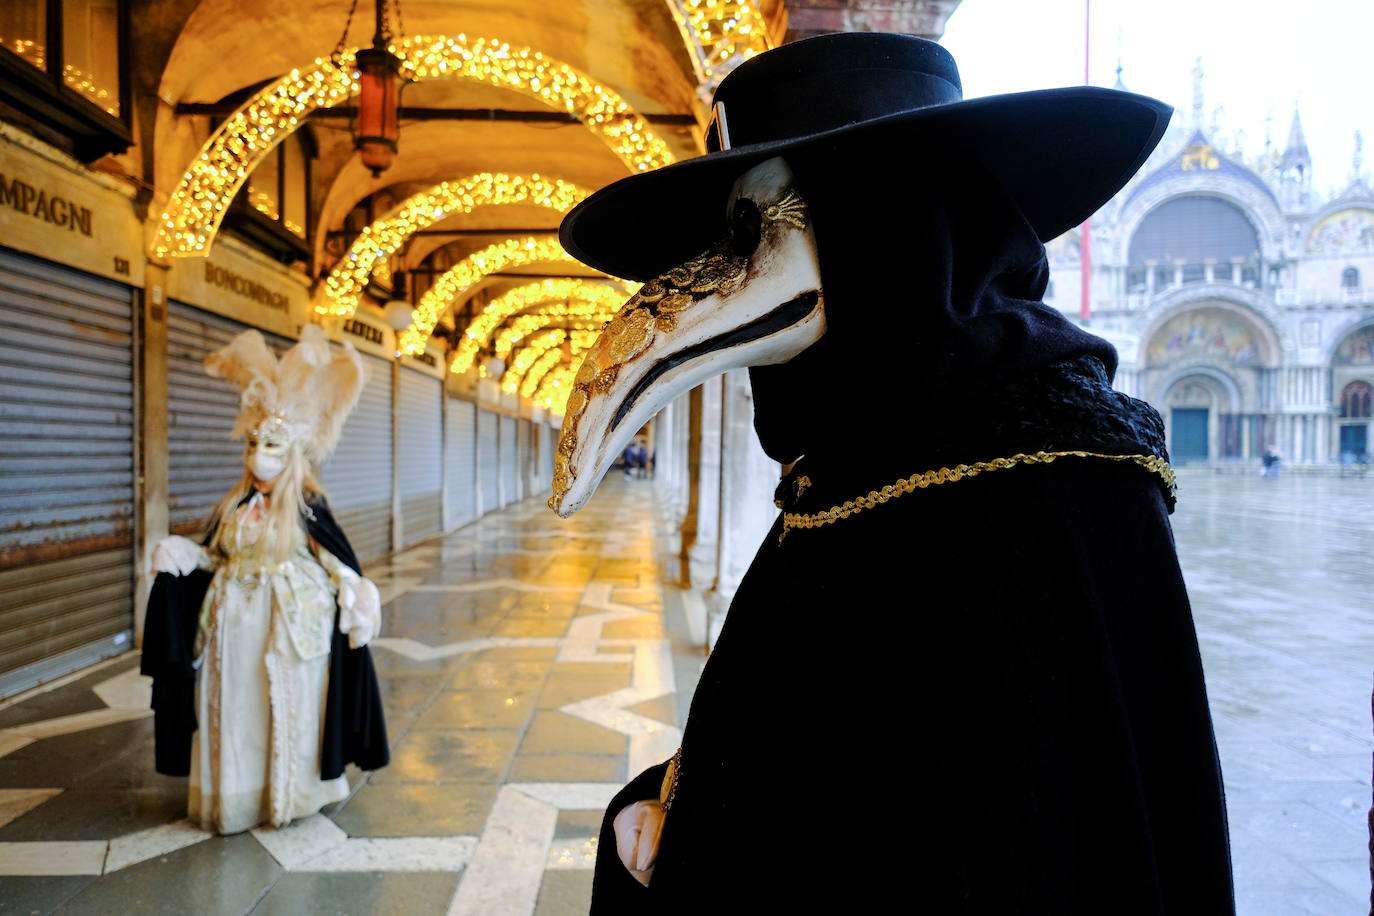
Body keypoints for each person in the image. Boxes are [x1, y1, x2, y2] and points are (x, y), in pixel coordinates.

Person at [550, 32, 1234, 913]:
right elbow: (824, 732)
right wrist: (675, 807)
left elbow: (1027, 840)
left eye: (770, 225)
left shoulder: (1060, 476)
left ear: (896, 223)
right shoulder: (854, 464)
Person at [141, 325, 389, 834]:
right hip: (229, 628)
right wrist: (186, 554)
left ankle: (290, 796)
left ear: (293, 451)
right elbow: (216, 555)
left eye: (271, 446)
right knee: (235, 707)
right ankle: (237, 798)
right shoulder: (234, 504)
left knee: (288, 706)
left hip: (292, 628)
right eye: (254, 443)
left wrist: (355, 591)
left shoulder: (307, 504)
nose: (259, 457)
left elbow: (334, 557)